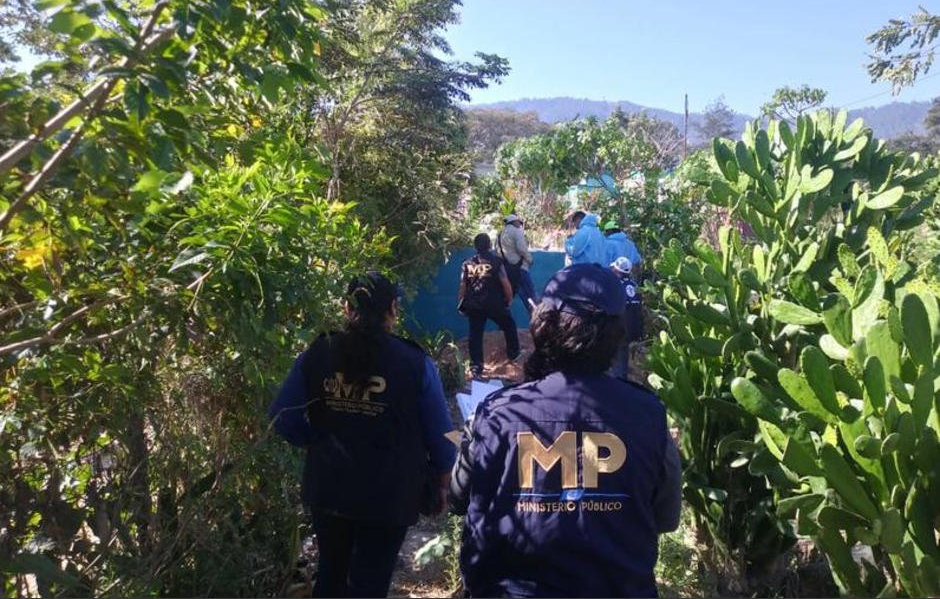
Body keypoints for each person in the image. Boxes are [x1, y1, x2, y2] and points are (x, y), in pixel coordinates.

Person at [450, 263, 681, 598]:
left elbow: (459, 498)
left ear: (544, 326)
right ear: (617, 335)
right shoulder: (648, 415)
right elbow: (666, 517)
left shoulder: (496, 413)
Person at [269, 272, 456, 598]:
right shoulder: (416, 362)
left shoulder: (318, 352)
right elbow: (443, 433)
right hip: (389, 495)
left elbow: (281, 416)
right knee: (371, 581)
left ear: (346, 307)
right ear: (393, 309)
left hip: (328, 488)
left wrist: (316, 440)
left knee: (330, 575)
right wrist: (444, 480)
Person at [459, 233, 520, 378]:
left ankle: (476, 367)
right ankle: (513, 354)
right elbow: (505, 283)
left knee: (475, 335)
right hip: (495, 304)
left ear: (475, 247)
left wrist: (461, 302)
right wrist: (509, 300)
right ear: (490, 245)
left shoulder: (467, 264)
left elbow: (463, 285)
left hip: (475, 305)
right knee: (509, 324)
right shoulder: (496, 262)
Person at [609, 256, 644, 379]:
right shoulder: (635, 285)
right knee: (622, 354)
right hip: (634, 327)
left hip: (621, 327)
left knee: (617, 357)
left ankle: (617, 383)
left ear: (617, 270)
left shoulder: (615, 285)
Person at [498, 214, 538, 314]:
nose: (520, 225)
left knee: (507, 297)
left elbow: (499, 252)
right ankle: (537, 319)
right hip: (520, 269)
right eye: (519, 223)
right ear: (515, 222)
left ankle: (503, 323)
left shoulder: (500, 235)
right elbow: (522, 249)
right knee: (531, 295)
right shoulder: (516, 232)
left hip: (507, 270)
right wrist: (529, 260)